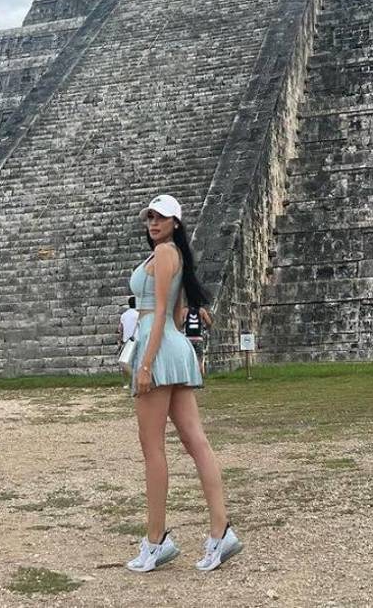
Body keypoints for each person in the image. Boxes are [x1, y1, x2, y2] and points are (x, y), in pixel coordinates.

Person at [126, 193, 243, 573]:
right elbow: (177, 314)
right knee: (196, 441)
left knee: (153, 450)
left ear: (176, 222)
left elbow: (161, 312)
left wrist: (146, 364)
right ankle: (219, 529)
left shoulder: (163, 253)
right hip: (173, 348)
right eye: (150, 218)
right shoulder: (174, 255)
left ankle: (157, 539)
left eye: (161, 218)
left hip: (157, 349)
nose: (153, 223)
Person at [181, 300, 213, 375]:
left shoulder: (185, 310)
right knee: (199, 359)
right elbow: (209, 322)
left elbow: (179, 323)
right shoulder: (202, 310)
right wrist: (204, 328)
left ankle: (189, 379)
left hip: (187, 339)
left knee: (188, 359)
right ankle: (200, 379)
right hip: (198, 338)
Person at [117, 297, 139, 387]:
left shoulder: (124, 315)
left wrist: (119, 340)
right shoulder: (138, 314)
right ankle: (135, 380)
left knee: (125, 362)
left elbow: (120, 329)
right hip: (136, 339)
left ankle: (126, 383)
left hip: (126, 340)